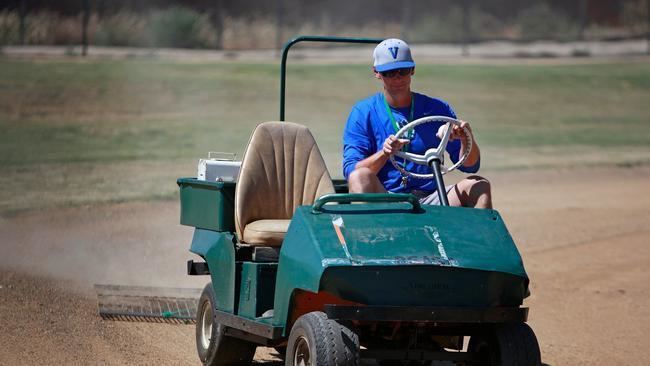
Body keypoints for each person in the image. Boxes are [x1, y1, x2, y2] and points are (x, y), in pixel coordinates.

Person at [342, 38, 492, 208]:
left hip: (432, 197)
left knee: (479, 185)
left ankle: (476, 235)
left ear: (412, 70)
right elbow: (351, 173)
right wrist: (384, 153)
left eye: (403, 71)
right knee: (360, 177)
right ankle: (370, 234)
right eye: (389, 73)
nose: (397, 78)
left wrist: (466, 138)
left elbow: (470, 166)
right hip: (387, 198)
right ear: (377, 73)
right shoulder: (363, 112)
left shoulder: (438, 108)